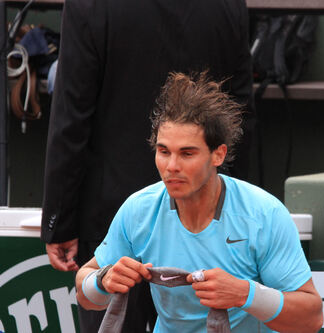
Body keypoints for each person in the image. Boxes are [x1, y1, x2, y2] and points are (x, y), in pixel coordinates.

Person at [40, 0, 255, 331]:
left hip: (113, 216)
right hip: (206, 218)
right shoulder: (229, 5)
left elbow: (71, 116)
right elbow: (240, 116)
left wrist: (59, 220)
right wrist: (242, 214)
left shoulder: (90, 6)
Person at [75, 72, 323, 333]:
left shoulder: (264, 214)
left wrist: (246, 294)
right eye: (163, 151)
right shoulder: (139, 210)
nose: (172, 166)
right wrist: (103, 280)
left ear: (218, 154)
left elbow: (311, 318)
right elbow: (84, 293)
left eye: (187, 153)